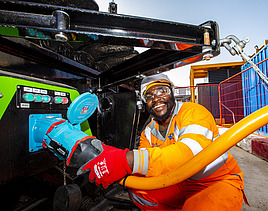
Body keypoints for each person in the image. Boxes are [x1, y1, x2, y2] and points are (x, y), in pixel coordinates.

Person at [78, 73, 248, 210]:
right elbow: (145, 169)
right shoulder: (149, 132)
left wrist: (127, 160)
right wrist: (114, 166)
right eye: (150, 96)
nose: (157, 98)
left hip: (215, 182)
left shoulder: (194, 112)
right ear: (146, 103)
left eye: (162, 91)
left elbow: (191, 153)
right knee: (138, 190)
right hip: (179, 181)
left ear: (172, 93)